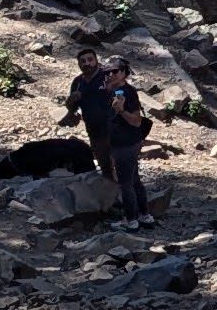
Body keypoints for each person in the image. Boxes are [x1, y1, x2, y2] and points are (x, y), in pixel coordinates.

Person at [65, 54, 155, 228]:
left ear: (124, 73)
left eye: (114, 72)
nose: (110, 75)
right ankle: (144, 215)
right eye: (107, 72)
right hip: (110, 137)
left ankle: (131, 220)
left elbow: (136, 121)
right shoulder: (110, 89)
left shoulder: (127, 92)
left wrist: (121, 111)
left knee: (125, 183)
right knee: (132, 179)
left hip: (125, 143)